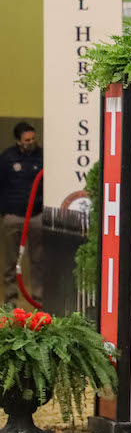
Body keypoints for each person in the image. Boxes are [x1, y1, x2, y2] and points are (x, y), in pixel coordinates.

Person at [1, 122, 43, 306]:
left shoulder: (42, 156)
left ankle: (39, 299)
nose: (31, 142)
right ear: (18, 141)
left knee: (38, 261)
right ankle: (10, 301)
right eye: (27, 140)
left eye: (33, 138)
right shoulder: (7, 158)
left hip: (36, 217)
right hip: (13, 217)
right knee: (10, 262)